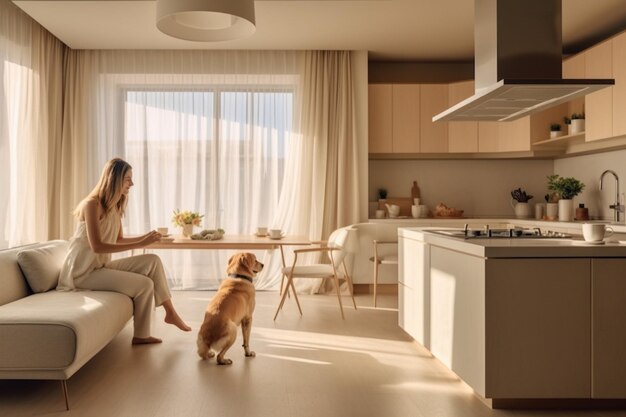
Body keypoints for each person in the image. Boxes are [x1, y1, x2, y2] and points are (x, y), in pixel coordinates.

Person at [58, 157, 191, 344]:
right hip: (82, 273)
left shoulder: (115, 205)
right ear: (115, 179)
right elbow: (97, 246)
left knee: (152, 260)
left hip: (100, 268)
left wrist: (146, 238)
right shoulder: (92, 204)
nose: (132, 183)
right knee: (145, 284)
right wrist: (140, 243)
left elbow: (119, 239)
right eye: (128, 179)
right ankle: (141, 335)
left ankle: (170, 312)